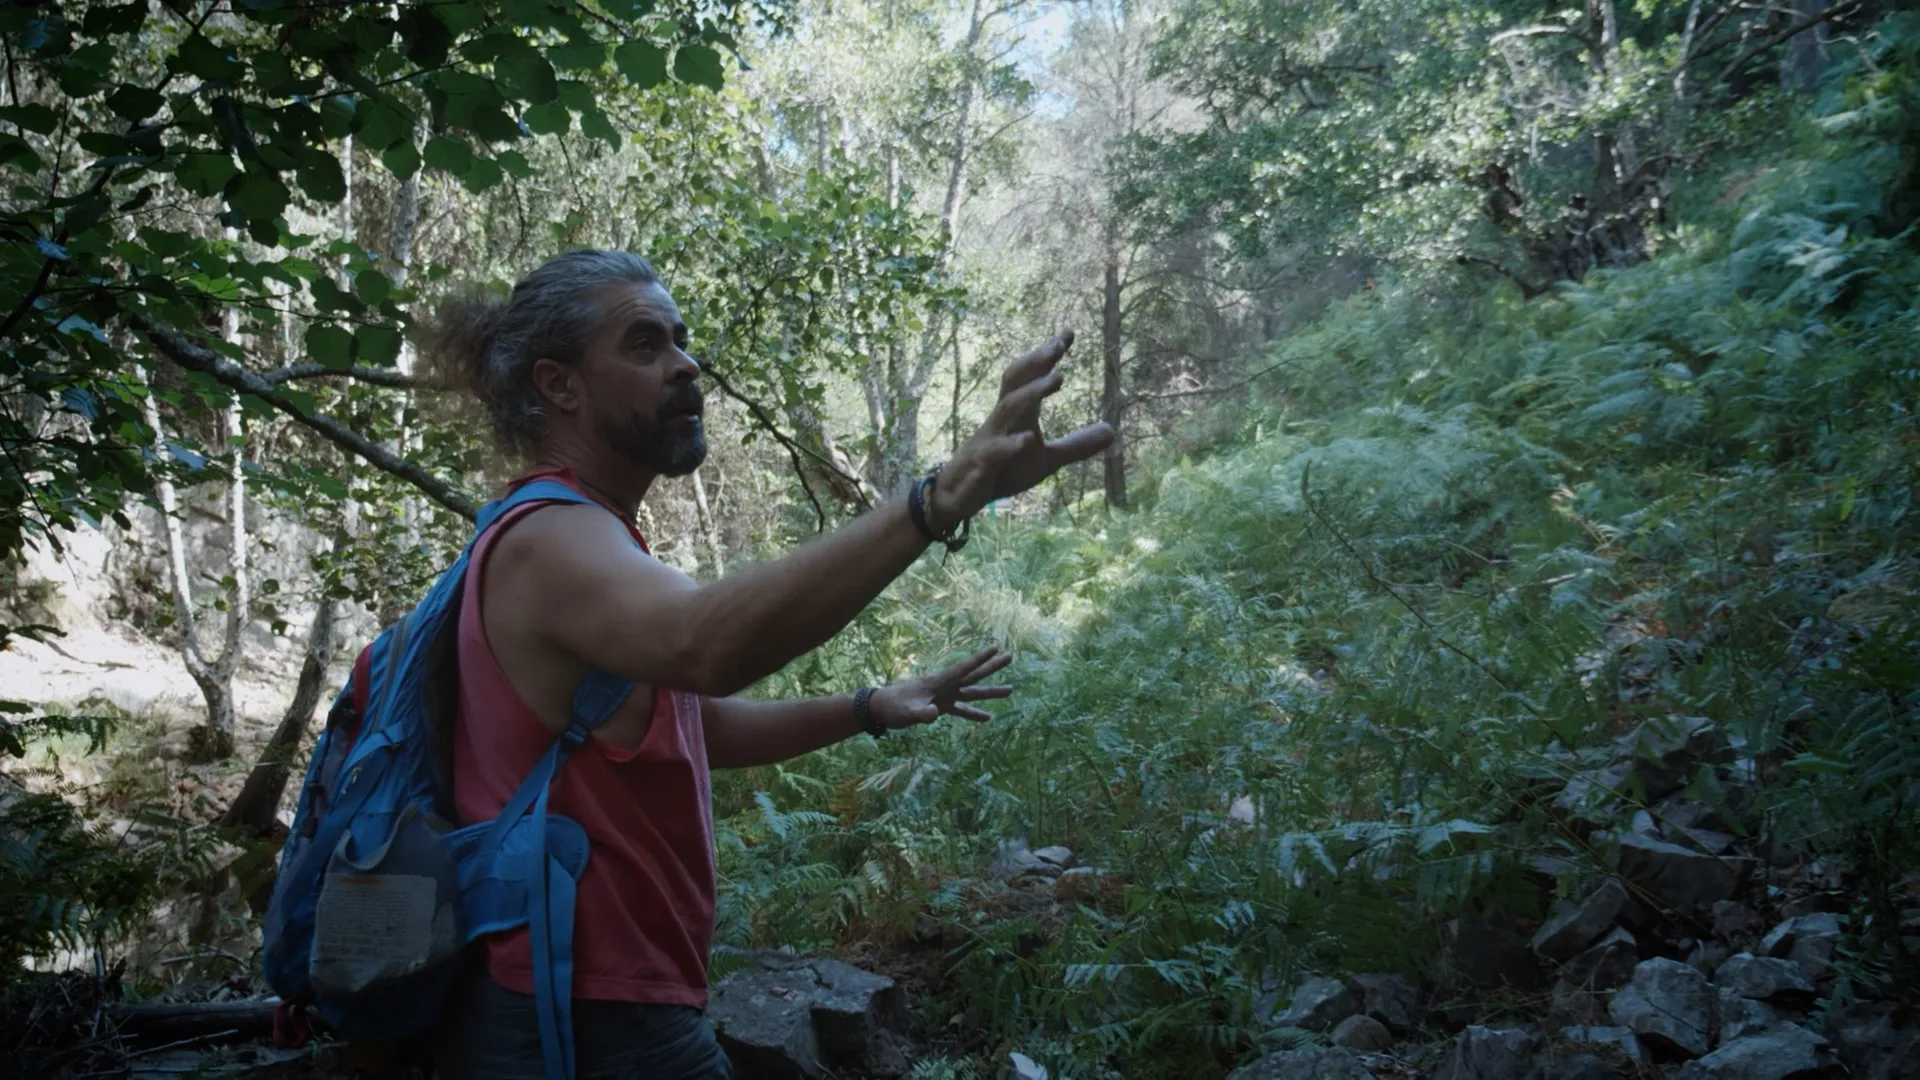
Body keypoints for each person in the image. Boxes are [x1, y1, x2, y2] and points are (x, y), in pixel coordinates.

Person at [421, 249, 1113, 1079]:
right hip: (578, 1011)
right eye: (646, 345)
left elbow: (688, 725)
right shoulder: (547, 539)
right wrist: (941, 497)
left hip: (603, 999)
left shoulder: (583, 536)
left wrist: (867, 706)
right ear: (560, 385)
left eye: (681, 340)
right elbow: (704, 645)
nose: (686, 364)